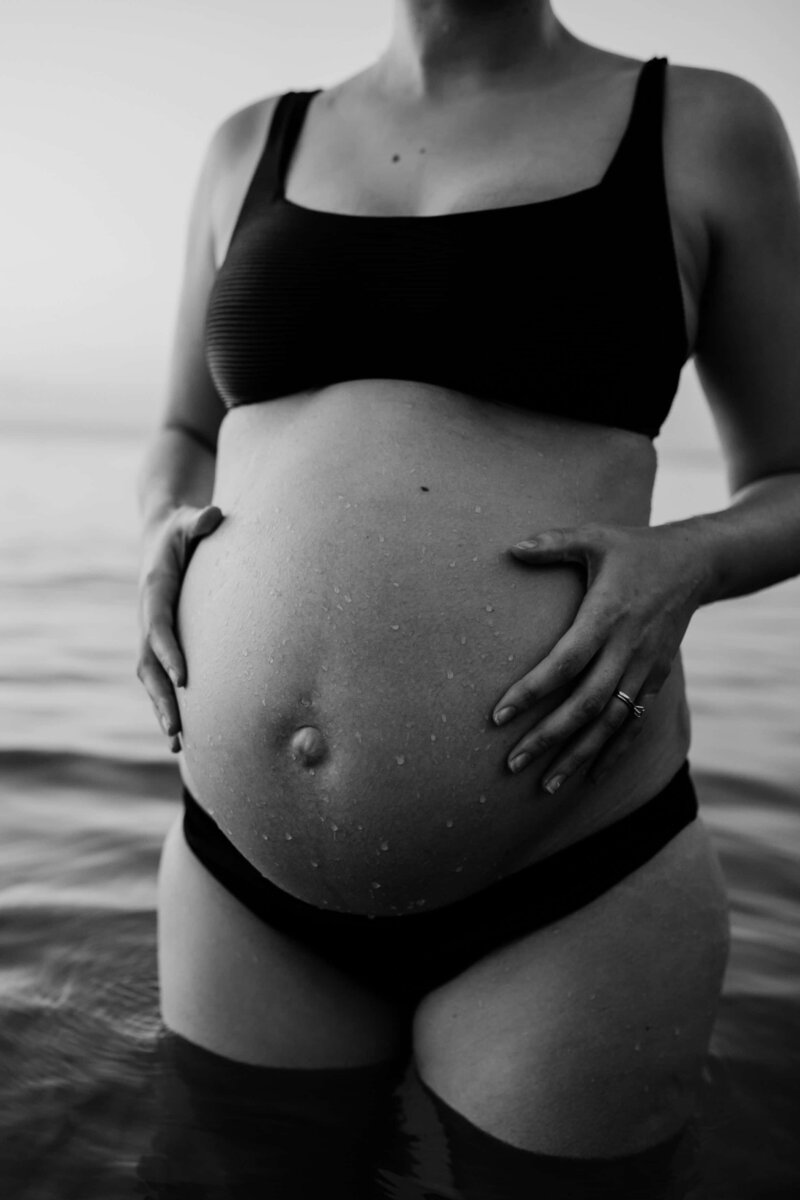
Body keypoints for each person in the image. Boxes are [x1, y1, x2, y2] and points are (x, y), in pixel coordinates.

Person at [136, 0, 800, 1176]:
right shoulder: (251, 141)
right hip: (243, 879)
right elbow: (185, 430)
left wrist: (689, 560)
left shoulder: (699, 123)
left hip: (572, 875)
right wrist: (160, 531)